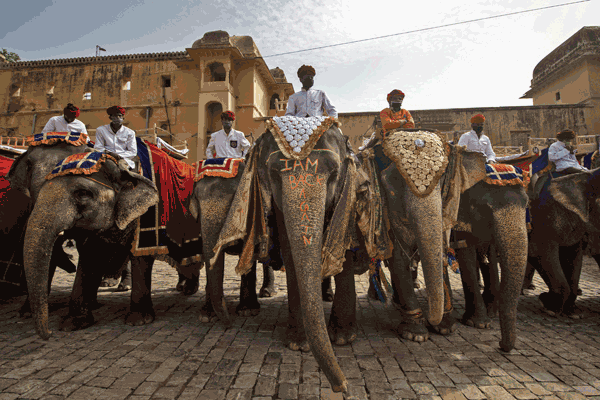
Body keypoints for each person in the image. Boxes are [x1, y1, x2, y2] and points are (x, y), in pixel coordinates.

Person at [94, 106, 137, 170]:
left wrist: (119, 156)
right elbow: (98, 147)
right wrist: (109, 154)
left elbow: (133, 151)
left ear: (123, 118)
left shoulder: (130, 133)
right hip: (105, 157)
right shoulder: (101, 130)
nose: (117, 118)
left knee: (122, 169)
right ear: (110, 117)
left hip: (123, 159)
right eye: (114, 116)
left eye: (119, 116)